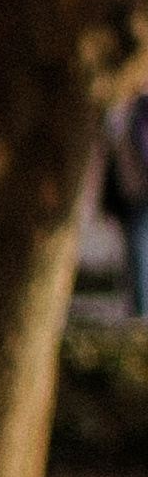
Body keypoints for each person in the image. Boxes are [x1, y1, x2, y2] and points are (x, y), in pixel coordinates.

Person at [105, 91, 148, 320]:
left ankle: (141, 310)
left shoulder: (133, 110)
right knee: (138, 249)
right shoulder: (133, 110)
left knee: (138, 250)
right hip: (136, 190)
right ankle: (140, 309)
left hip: (136, 190)